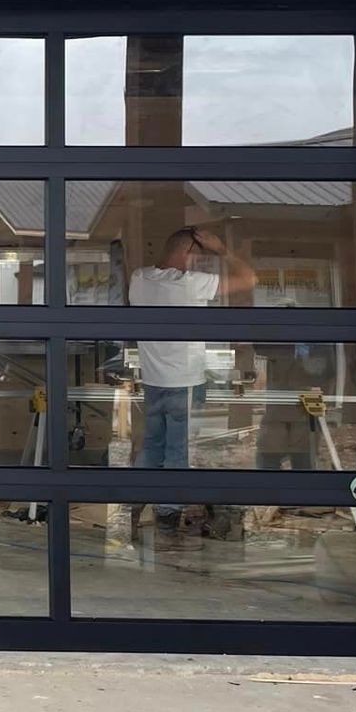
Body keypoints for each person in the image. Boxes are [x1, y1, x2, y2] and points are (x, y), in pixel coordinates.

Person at [129, 226, 255, 529]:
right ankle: (168, 511)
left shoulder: (139, 278)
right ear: (188, 252)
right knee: (177, 450)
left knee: (152, 445)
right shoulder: (190, 284)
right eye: (199, 256)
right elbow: (250, 279)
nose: (200, 264)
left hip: (153, 380)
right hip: (183, 381)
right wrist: (223, 250)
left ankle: (134, 500)